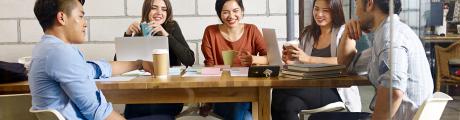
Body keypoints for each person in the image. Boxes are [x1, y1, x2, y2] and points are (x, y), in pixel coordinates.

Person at [29, 0, 173, 119]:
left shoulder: (45, 49)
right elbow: (98, 112)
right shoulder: (62, 53)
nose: (85, 23)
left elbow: (95, 69)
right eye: (80, 16)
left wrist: (139, 64)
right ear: (62, 18)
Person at [337, 0, 433, 119]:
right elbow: (347, 65)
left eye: (356, 5)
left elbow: (393, 91)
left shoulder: (391, 36)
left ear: (370, 4)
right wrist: (347, 33)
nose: (355, 13)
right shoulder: (391, 32)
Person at [271, 0, 361, 120]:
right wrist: (292, 61)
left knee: (279, 89)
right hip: (309, 85)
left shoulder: (344, 32)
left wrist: (308, 58)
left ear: (335, 11)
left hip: (335, 89)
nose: (319, 14)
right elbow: (304, 63)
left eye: (325, 10)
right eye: (316, 9)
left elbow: (343, 62)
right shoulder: (308, 33)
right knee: (288, 105)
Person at [121, 0, 195, 119]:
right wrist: (128, 34)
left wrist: (166, 35)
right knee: (132, 111)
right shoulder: (140, 29)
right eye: (154, 8)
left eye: (164, 9)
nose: (159, 12)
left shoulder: (172, 27)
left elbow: (189, 60)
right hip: (142, 92)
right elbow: (120, 64)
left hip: (168, 92)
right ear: (147, 10)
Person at [201, 0, 268, 119]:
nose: (231, 16)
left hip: (249, 92)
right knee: (246, 117)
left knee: (243, 105)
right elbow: (209, 67)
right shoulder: (210, 32)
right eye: (225, 12)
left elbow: (270, 58)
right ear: (219, 14)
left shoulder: (252, 30)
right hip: (221, 94)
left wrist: (253, 59)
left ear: (242, 11)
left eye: (235, 11)